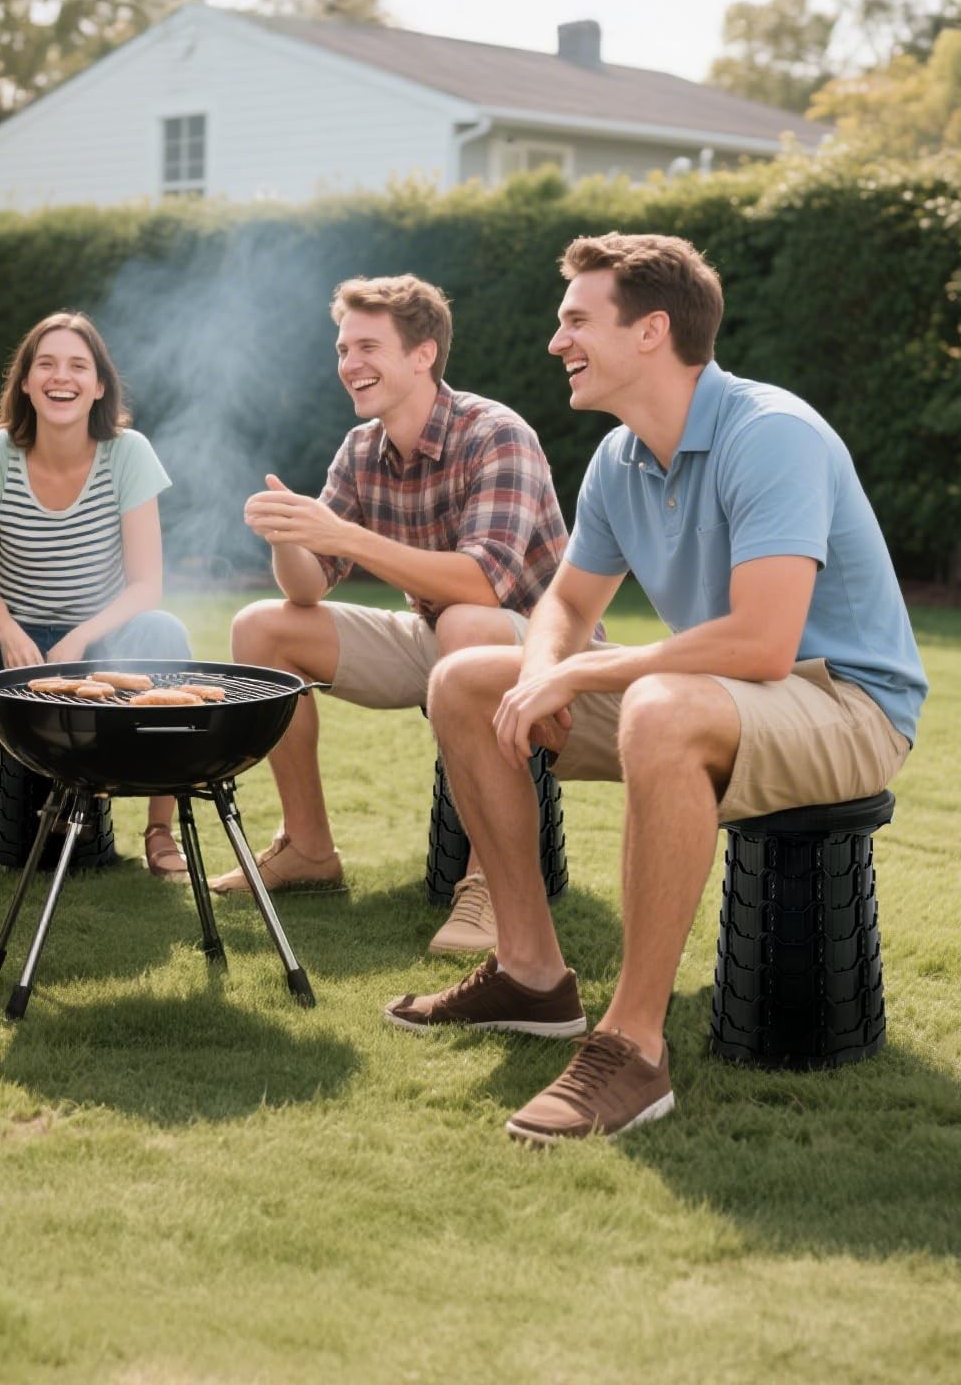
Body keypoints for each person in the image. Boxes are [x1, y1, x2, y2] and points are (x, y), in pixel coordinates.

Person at [397, 232, 927, 1143]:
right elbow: (565, 599)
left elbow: (763, 642)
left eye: (575, 321)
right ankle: (530, 974)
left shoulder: (771, 434)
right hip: (729, 698)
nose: (556, 342)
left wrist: (586, 667)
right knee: (465, 679)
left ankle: (633, 1048)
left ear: (651, 332)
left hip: (847, 702)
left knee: (658, 701)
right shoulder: (620, 458)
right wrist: (538, 671)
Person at [211, 274, 572, 954]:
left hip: (537, 651)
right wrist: (295, 537)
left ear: (423, 354)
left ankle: (493, 886)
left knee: (465, 622)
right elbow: (310, 589)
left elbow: (482, 584)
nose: (350, 363)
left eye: (368, 346)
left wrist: (342, 535)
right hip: (439, 636)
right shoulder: (359, 448)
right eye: (344, 349)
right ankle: (309, 848)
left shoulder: (495, 434)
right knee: (261, 626)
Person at [0, 312, 193, 884]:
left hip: (98, 643)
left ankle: (160, 830)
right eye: (45, 364)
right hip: (13, 641)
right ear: (24, 382)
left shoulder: (129, 453)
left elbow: (146, 584)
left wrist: (82, 635)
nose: (60, 376)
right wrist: (11, 633)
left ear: (98, 386)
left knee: (165, 630)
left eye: (77, 365)